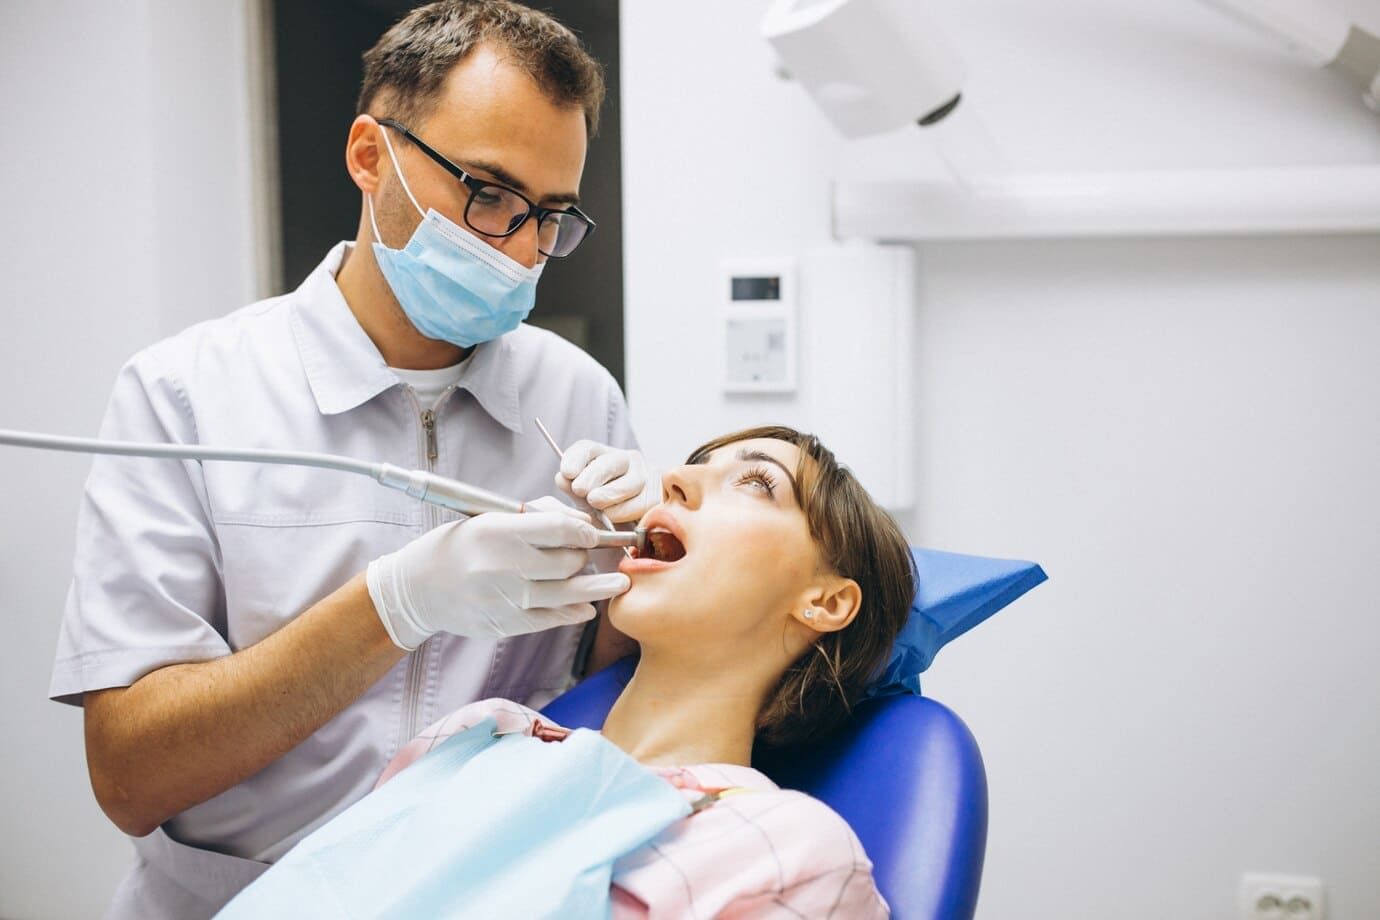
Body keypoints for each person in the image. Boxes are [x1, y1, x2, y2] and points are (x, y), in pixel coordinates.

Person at [47, 3, 658, 916]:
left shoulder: (579, 400)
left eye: (551, 215)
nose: (522, 248)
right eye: (487, 193)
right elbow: (132, 776)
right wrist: (393, 604)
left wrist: (643, 553)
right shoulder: (183, 396)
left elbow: (609, 700)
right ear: (371, 157)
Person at [221, 426, 917, 918]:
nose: (673, 478)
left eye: (756, 483)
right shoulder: (474, 738)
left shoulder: (784, 849)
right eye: (693, 463)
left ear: (827, 601)